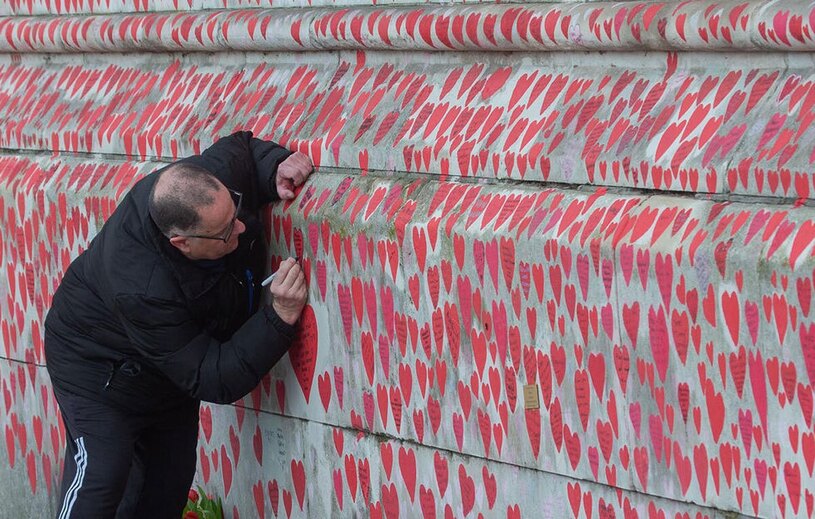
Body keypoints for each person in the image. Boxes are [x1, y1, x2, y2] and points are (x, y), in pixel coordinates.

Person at [44, 131, 313, 518]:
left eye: (236, 212)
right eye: (226, 231)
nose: (240, 229)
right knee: (102, 477)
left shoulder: (212, 178)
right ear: (182, 242)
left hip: (169, 366)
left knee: (166, 489)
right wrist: (279, 317)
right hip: (94, 368)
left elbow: (244, 151)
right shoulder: (142, 288)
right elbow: (213, 377)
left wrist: (274, 168)